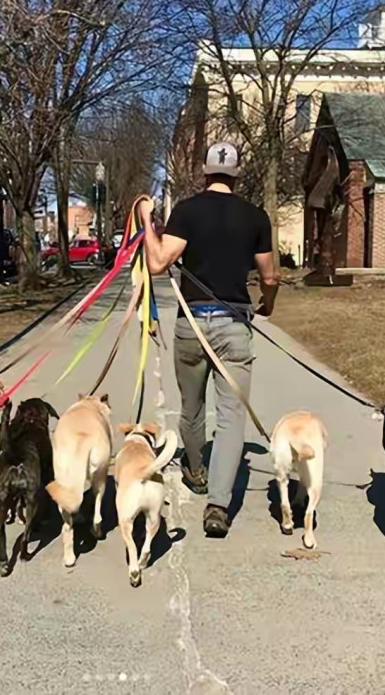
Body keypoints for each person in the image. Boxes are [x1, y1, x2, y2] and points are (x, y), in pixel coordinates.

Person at [137, 142, 279, 537]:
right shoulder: (256, 217)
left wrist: (147, 220)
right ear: (237, 173)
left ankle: (196, 469)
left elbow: (157, 262)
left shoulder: (186, 211)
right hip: (234, 324)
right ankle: (218, 505)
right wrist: (268, 304)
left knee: (192, 406)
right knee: (232, 416)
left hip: (192, 323)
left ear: (204, 171)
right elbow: (269, 276)